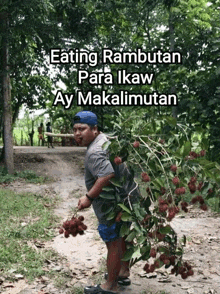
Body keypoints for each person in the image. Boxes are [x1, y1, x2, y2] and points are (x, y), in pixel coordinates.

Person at [74, 111, 141, 294]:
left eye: (82, 129)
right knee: (123, 234)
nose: (78, 134)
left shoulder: (95, 151)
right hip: (127, 196)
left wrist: (88, 197)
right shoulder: (105, 139)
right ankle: (122, 272)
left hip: (113, 203)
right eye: (75, 130)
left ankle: (110, 286)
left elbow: (106, 174)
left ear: (95, 129)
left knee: (113, 240)